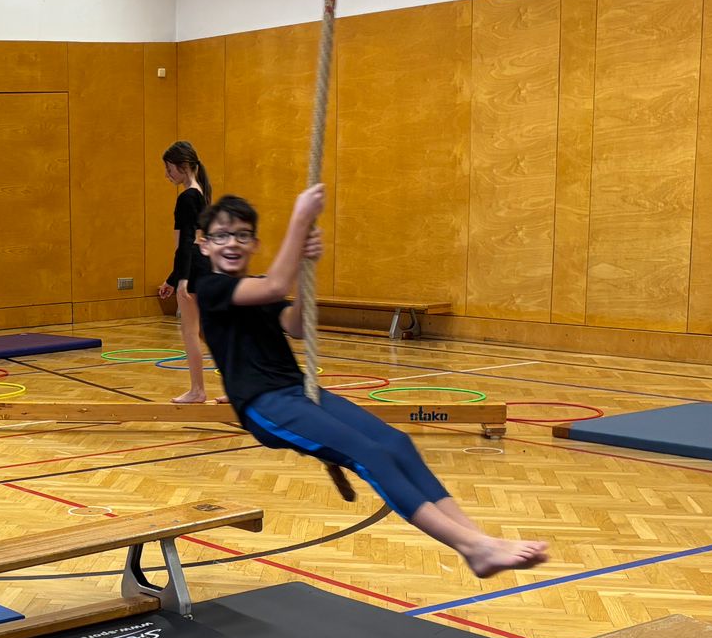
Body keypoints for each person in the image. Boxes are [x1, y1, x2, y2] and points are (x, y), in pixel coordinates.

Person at [192, 188, 550, 580]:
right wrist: (300, 219)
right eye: (221, 236)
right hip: (266, 405)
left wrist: (306, 271)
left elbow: (295, 326)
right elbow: (275, 287)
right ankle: (471, 546)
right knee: (370, 454)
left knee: (397, 443)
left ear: (255, 244)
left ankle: (480, 541)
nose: (232, 243)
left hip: (301, 392)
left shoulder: (258, 286)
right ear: (204, 245)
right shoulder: (210, 288)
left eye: (242, 235)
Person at [156, 141, 213, 405]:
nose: (167, 175)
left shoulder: (187, 197)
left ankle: (197, 390)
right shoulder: (201, 193)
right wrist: (172, 278)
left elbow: (186, 243)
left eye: (169, 169)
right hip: (201, 265)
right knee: (208, 332)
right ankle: (238, 388)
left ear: (183, 166)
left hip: (193, 269)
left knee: (190, 332)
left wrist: (181, 279)